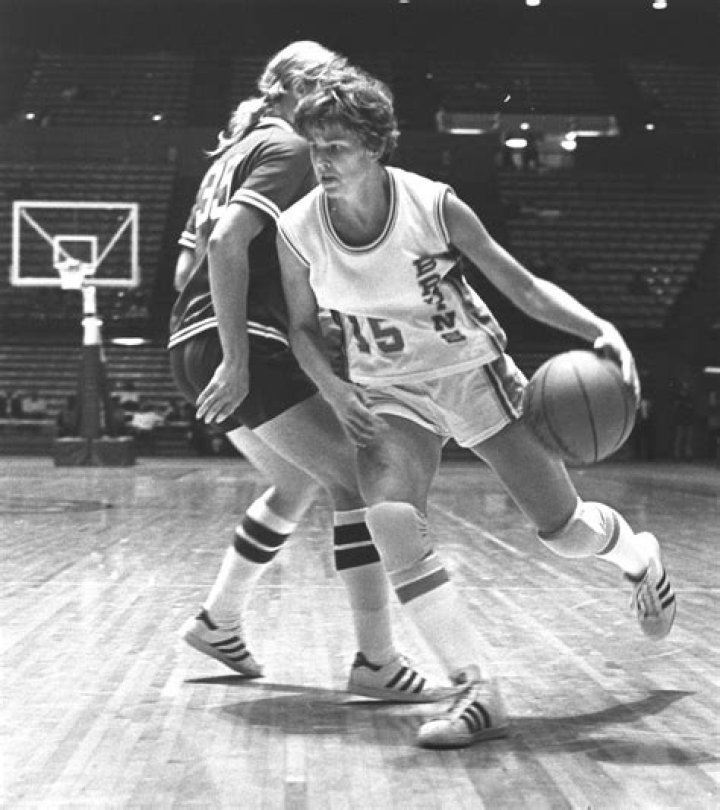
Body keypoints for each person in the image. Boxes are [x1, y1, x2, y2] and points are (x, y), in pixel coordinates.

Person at [276, 67, 677, 749]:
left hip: (473, 376)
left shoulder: (433, 206)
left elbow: (518, 284)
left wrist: (597, 330)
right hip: (389, 393)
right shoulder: (298, 228)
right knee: (392, 519)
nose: (322, 163)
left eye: (336, 148)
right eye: (315, 149)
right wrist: (337, 391)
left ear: (374, 147)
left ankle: (638, 557)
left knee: (566, 531)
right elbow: (302, 329)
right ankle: (476, 689)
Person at [168, 41, 449, 703]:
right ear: (294, 89)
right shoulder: (290, 149)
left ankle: (219, 620)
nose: (330, 115)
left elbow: (188, 271)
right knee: (361, 479)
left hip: (188, 340)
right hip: (242, 347)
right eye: (323, 91)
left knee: (296, 481)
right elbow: (226, 243)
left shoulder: (228, 154)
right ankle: (378, 663)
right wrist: (239, 356)